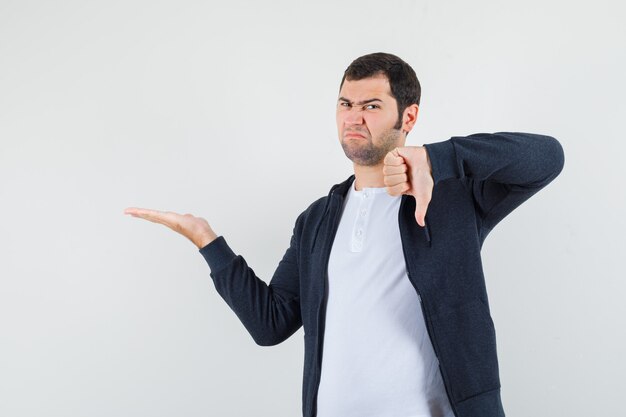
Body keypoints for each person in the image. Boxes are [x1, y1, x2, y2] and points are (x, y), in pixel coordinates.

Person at [124, 52, 565, 417]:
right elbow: (270, 323)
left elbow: (547, 157)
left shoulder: (454, 199)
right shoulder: (316, 220)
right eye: (345, 104)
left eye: (371, 105)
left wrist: (434, 159)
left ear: (408, 116)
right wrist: (207, 241)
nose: (354, 117)